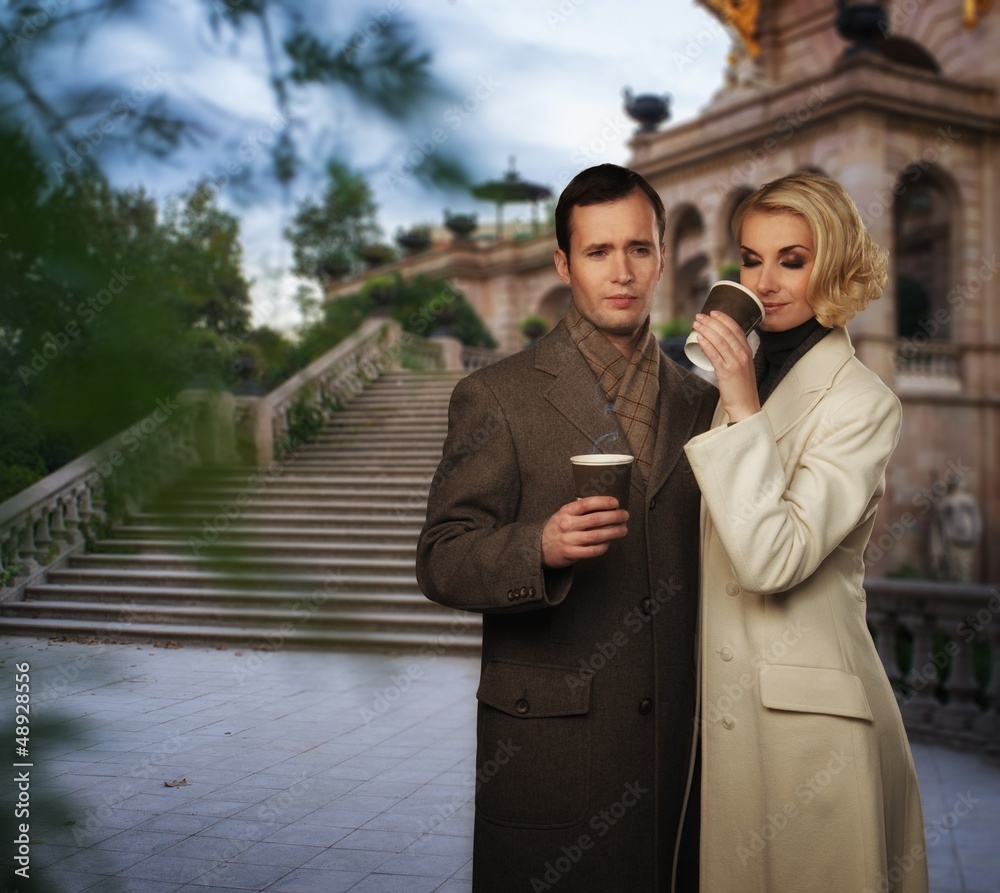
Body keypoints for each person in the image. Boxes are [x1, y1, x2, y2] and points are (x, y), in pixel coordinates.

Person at [416, 163, 718, 892]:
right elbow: (441, 557)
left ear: (661, 256)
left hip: (684, 765)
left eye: (639, 249)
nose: (622, 272)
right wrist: (537, 547)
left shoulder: (706, 405)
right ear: (563, 262)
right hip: (552, 757)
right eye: (597, 251)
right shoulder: (496, 395)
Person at [683, 171, 929, 892]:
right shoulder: (735, 383)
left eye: (793, 258)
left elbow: (771, 558)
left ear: (838, 262)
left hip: (808, 725)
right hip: (717, 713)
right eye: (751, 259)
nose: (767, 280)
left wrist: (739, 400)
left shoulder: (862, 402)